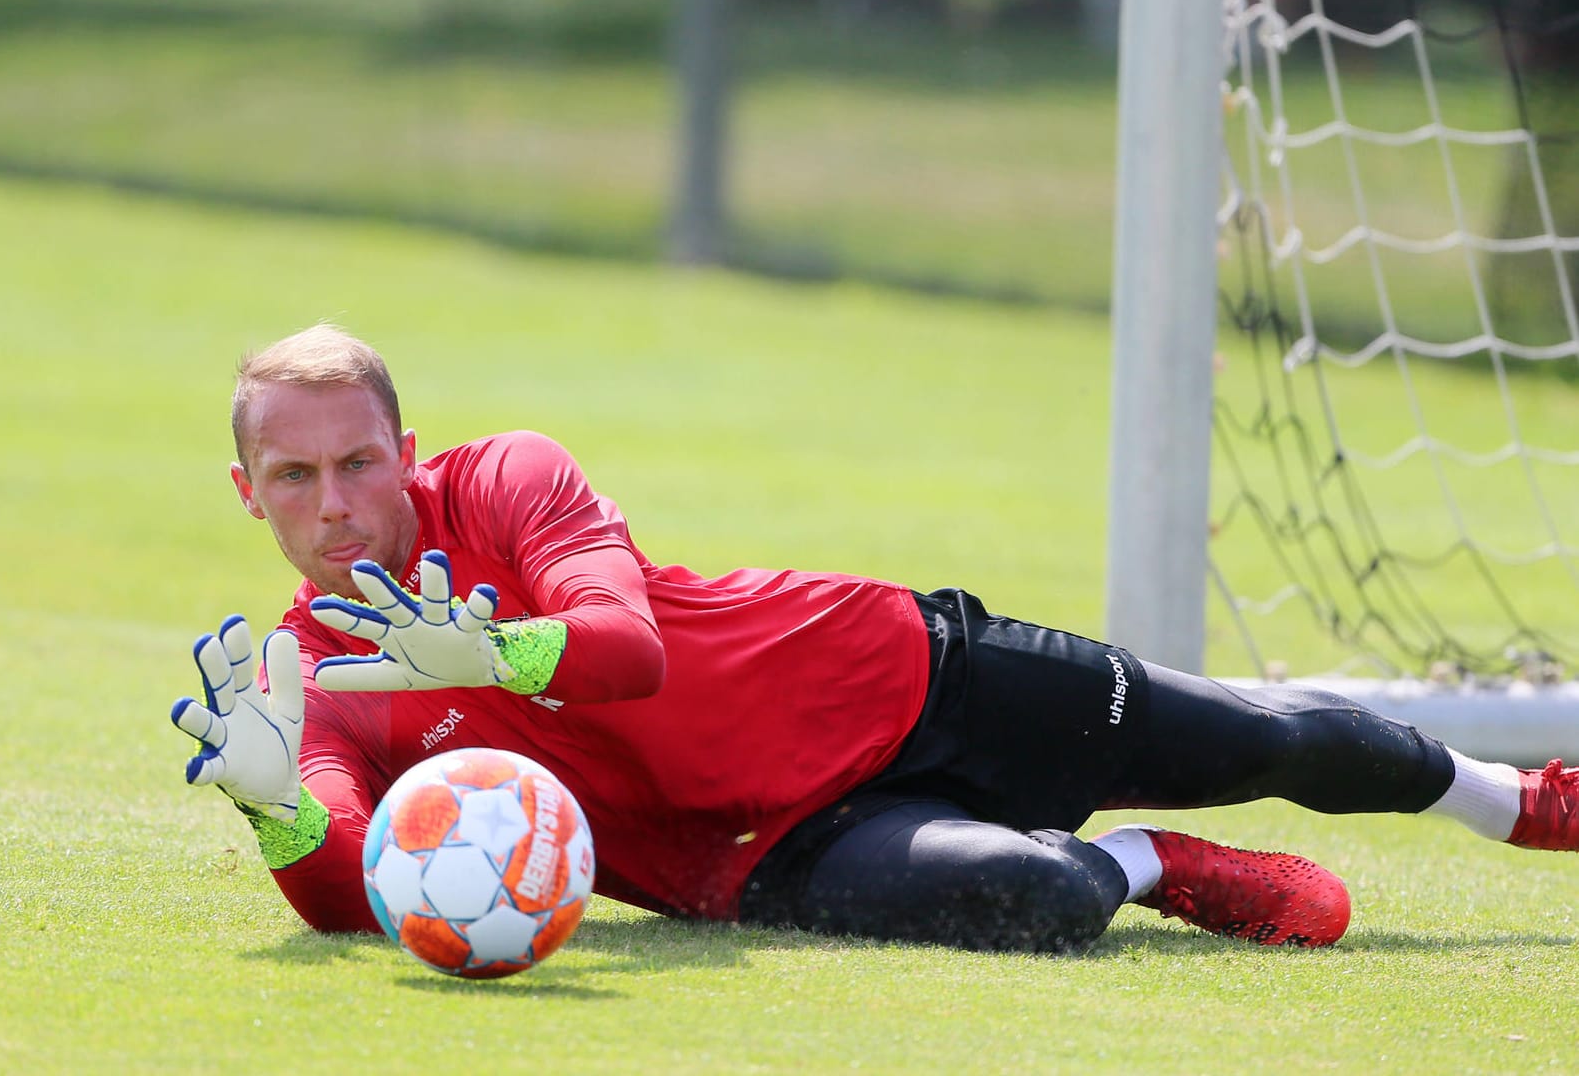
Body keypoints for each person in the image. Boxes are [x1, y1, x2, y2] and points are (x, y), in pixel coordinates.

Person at [170, 323, 1579, 954]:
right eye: (294, 480)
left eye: (356, 463)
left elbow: (625, 646)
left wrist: (494, 655)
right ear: (247, 497)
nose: (335, 505)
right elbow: (362, 891)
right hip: (759, 855)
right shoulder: (320, 683)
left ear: (402, 450)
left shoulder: (504, 478)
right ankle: (1154, 861)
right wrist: (281, 810)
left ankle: (1518, 801)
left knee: (1273, 737)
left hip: (892, 672)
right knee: (1050, 904)